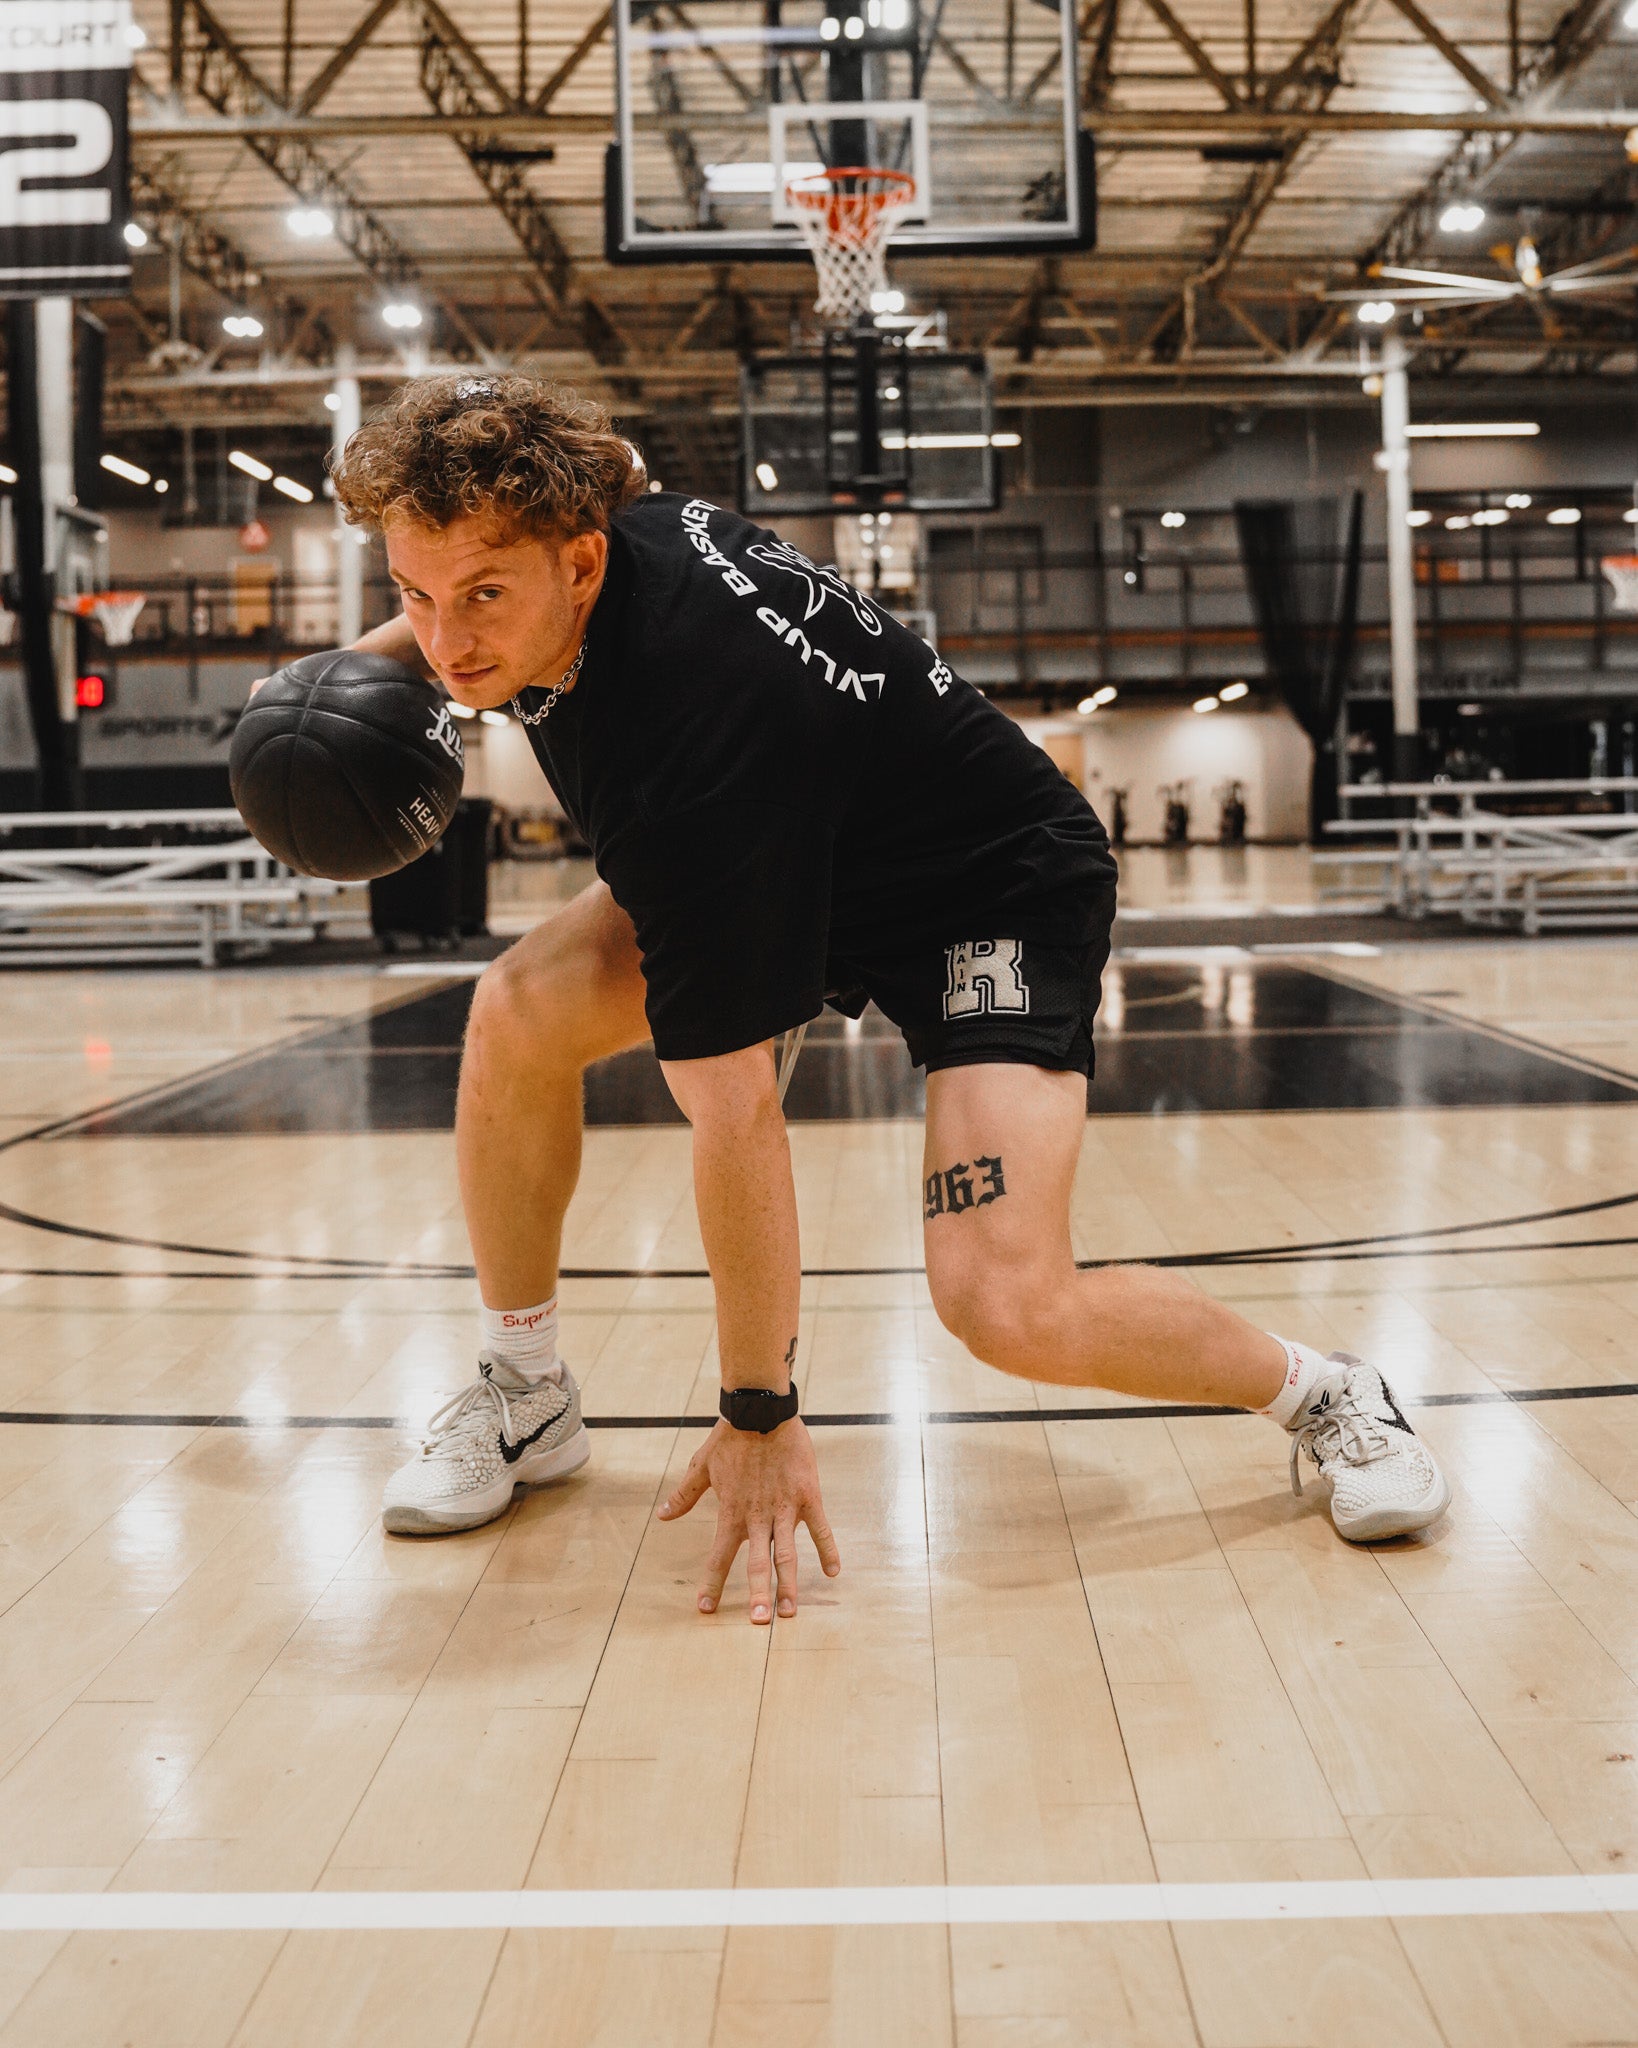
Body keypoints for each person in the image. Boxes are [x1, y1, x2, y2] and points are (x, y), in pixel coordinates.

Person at [329, 375, 1450, 1623]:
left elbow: (739, 1118)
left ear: (581, 566)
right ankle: (523, 1391)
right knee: (515, 1013)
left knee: (1006, 1302)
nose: (445, 641)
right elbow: (501, 571)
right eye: (412, 596)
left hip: (985, 884)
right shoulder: (599, 519)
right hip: (801, 843)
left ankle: (1329, 1392)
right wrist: (334, 683)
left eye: (482, 596)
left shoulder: (689, 747)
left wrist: (760, 1408)